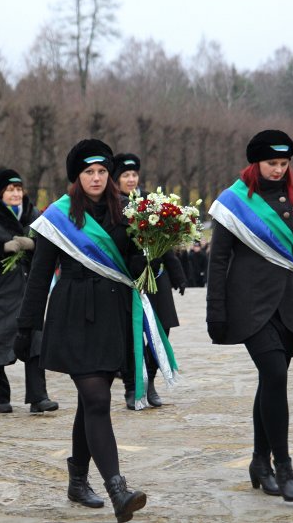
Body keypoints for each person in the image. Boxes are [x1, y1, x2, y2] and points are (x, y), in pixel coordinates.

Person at [17, 139, 173, 522]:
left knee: (92, 402)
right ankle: (117, 489)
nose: (97, 178)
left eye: (103, 171)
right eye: (89, 172)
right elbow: (39, 278)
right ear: (77, 177)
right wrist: (26, 328)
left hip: (113, 316)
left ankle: (77, 479)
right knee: (98, 399)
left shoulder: (129, 213)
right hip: (73, 314)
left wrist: (154, 248)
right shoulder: (58, 217)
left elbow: (136, 269)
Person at [206, 130, 293, 502]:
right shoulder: (233, 202)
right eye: (272, 164)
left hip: (288, 305)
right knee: (272, 375)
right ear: (256, 163)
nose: (278, 170)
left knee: (270, 382)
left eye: (284, 164)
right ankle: (284, 467)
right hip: (249, 306)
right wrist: (214, 313)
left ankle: (258, 461)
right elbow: (217, 263)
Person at [0, 168, 58, 414]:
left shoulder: (33, 214)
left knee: (35, 342)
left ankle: (39, 397)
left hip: (29, 289)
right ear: (1, 193)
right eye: (10, 189)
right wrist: (2, 247)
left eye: (18, 189)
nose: (15, 194)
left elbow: (50, 245)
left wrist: (34, 244)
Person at [112, 153, 187, 410]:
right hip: (128, 281)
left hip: (156, 277)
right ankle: (133, 386)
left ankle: (151, 380)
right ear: (116, 179)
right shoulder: (113, 207)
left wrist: (177, 274)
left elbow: (164, 242)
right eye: (125, 175)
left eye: (134, 175)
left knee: (162, 328)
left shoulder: (150, 203)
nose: (131, 179)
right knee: (130, 334)